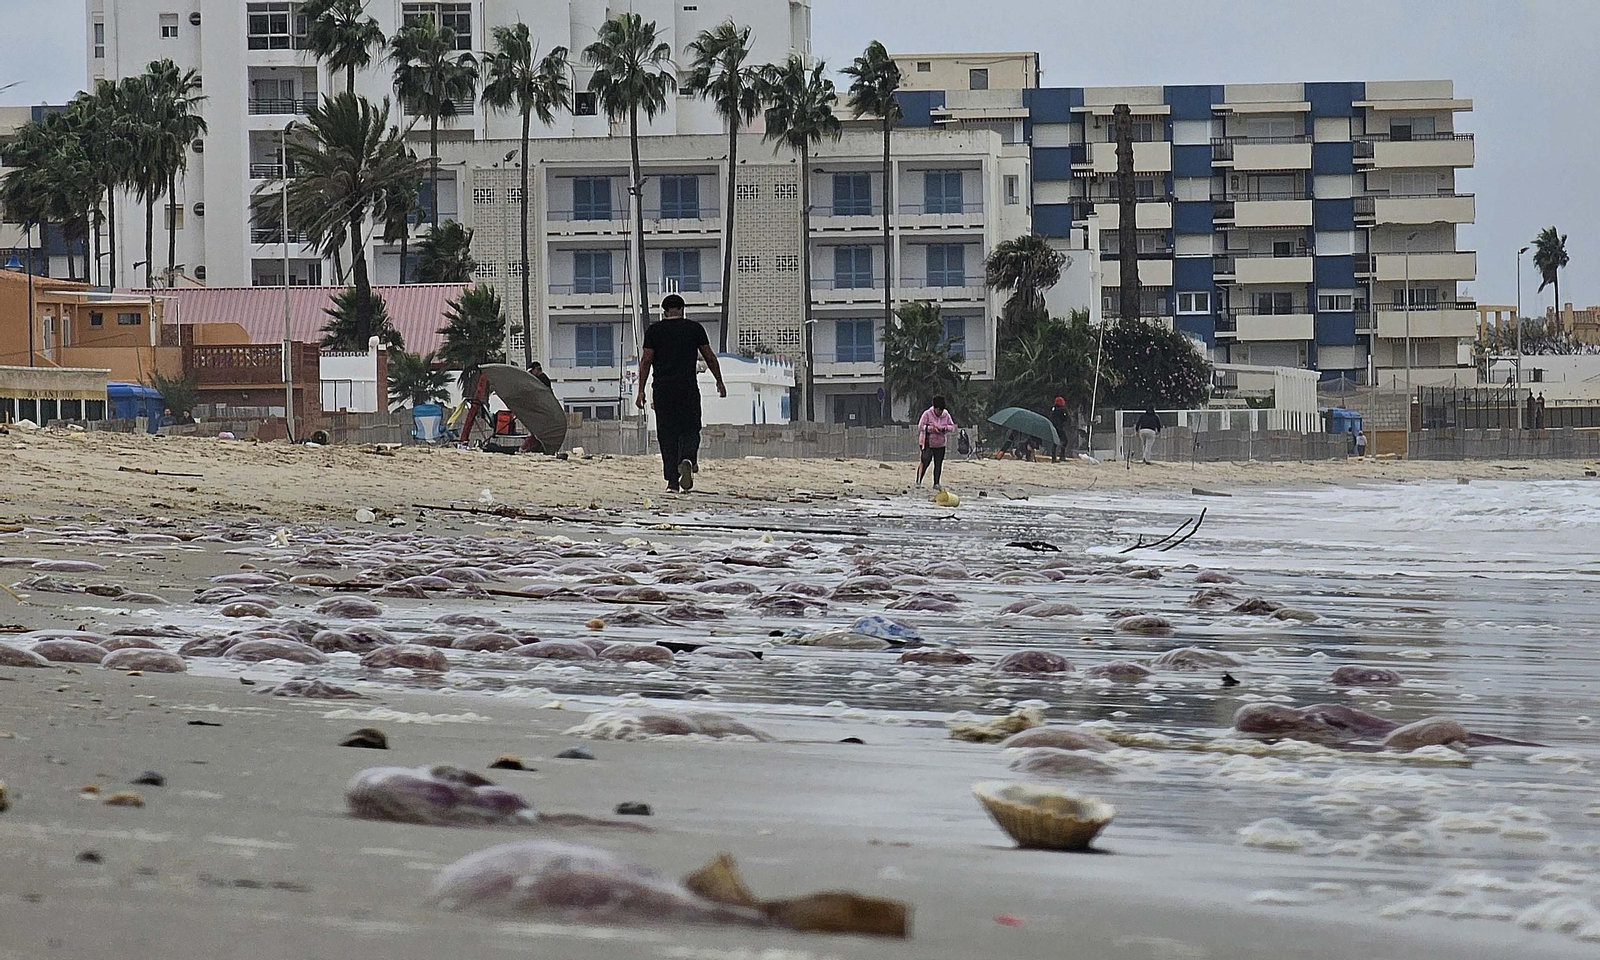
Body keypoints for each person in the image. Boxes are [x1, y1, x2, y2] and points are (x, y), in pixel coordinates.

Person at [636, 294, 726, 493]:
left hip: (663, 390)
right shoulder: (694, 329)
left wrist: (641, 390)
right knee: (691, 429)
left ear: (665, 312)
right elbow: (710, 357)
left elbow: (646, 361)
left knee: (667, 435)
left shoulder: (654, 331)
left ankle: (672, 483)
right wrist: (719, 381)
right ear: (682, 310)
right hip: (687, 389)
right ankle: (687, 459)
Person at [915, 395, 957, 488]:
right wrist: (932, 429)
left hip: (940, 443)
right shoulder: (927, 414)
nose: (940, 412)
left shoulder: (946, 415)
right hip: (927, 442)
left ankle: (936, 483)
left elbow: (952, 426)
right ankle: (918, 481)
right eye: (938, 410)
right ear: (934, 408)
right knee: (925, 461)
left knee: (938, 463)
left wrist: (945, 428)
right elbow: (921, 427)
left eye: (941, 410)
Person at [1049, 396, 1072, 462]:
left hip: (1054, 427)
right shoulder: (1062, 410)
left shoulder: (1053, 409)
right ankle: (1062, 456)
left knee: (1055, 442)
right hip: (1059, 428)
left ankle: (1054, 458)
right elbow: (1066, 418)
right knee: (1065, 441)